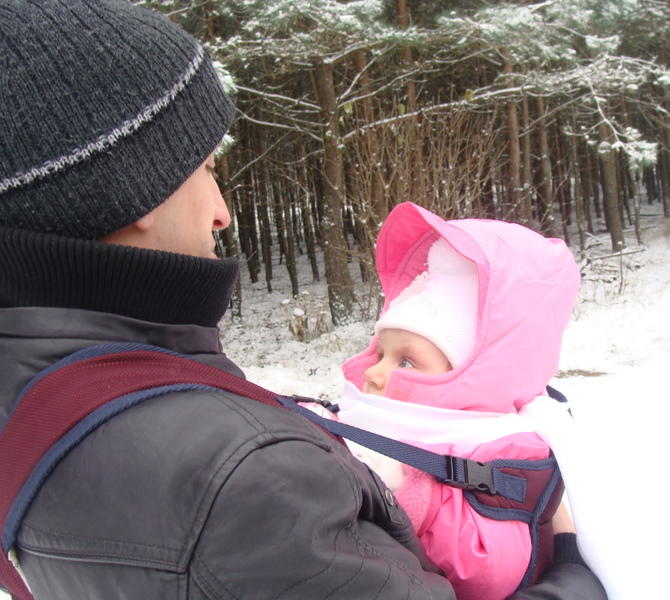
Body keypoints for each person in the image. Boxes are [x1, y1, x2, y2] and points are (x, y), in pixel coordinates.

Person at [0, 1, 605, 599]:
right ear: (135, 187)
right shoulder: (246, 476)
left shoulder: (29, 393)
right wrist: (575, 577)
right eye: (208, 170)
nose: (222, 212)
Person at [315, 202, 582, 600]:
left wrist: (417, 497)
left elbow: (491, 569)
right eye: (380, 354)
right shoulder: (387, 416)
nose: (373, 373)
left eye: (405, 361)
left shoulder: (502, 445)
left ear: (471, 377)